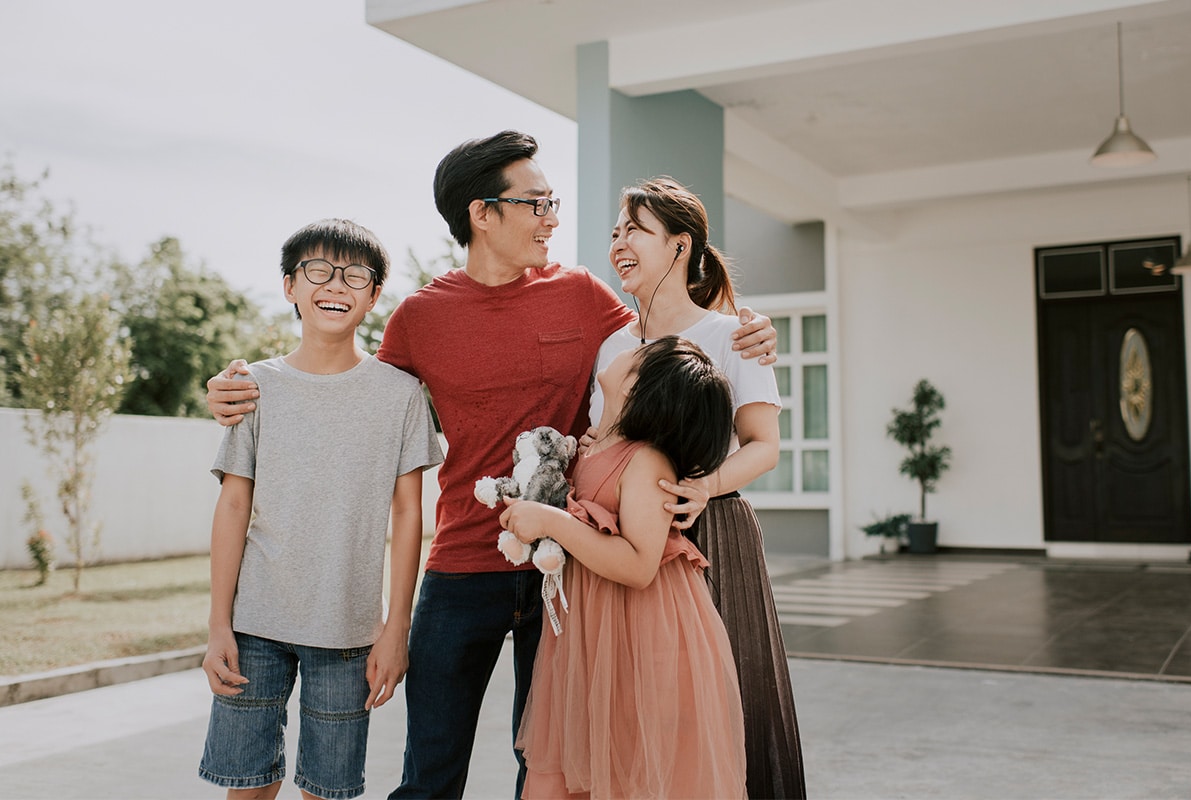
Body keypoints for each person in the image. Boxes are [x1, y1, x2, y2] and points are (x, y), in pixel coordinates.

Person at [203, 131, 777, 799]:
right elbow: (348, 390)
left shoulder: (585, 297)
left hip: (566, 571)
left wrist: (742, 328)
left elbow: (664, 344)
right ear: (483, 213)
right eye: (537, 203)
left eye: (551, 202)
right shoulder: (419, 317)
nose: (552, 219)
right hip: (460, 571)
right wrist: (235, 386)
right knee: (429, 776)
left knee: (550, 772)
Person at [198, 219, 444, 800]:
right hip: (254, 623)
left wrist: (395, 629)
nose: (336, 284)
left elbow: (409, 515)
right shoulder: (252, 386)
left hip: (349, 628)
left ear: (375, 294)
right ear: (290, 286)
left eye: (355, 275)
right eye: (317, 270)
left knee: (328, 791)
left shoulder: (401, 394)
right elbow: (234, 504)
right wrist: (216, 625)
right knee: (247, 785)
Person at [588, 176, 806, 799]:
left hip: (710, 532)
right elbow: (604, 436)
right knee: (646, 705)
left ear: (680, 247)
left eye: (636, 230)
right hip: (631, 538)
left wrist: (702, 488)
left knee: (730, 696)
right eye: (615, 232)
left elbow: (764, 446)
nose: (619, 243)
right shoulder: (613, 344)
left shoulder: (733, 334)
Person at [501, 336, 747, 799]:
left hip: (641, 633)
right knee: (586, 759)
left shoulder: (646, 461)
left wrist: (553, 521)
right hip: (592, 632)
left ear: (637, 387)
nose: (627, 348)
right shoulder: (592, 450)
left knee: (634, 763)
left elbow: (639, 565)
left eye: (638, 354)